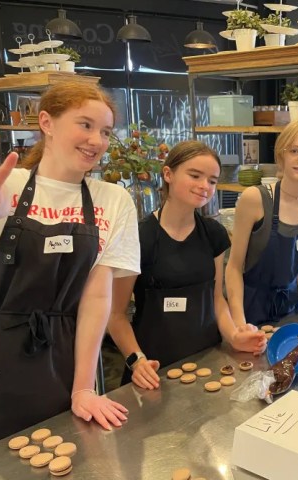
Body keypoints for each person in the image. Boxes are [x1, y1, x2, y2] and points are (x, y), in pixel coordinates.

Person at [0, 82, 139, 461]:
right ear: (47, 122)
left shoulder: (112, 200)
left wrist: (83, 387)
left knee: (59, 458)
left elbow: (97, 296)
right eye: (85, 125)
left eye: (105, 131)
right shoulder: (6, 184)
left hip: (61, 355)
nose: (96, 140)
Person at [108, 141, 266, 390]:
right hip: (153, 369)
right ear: (168, 174)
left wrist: (234, 336)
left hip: (208, 360)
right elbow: (115, 314)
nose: (205, 186)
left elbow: (216, 298)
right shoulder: (140, 237)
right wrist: (136, 361)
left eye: (212, 181)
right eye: (195, 175)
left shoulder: (213, 234)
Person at [226, 119, 298, 326]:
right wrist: (239, 323)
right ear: (281, 155)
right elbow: (234, 267)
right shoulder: (254, 199)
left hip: (291, 307)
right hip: (251, 307)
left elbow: (295, 254)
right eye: (294, 150)